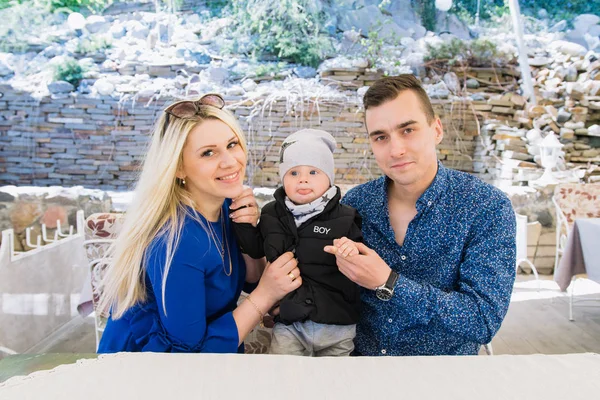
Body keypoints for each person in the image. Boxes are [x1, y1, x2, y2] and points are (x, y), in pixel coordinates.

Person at [324, 75, 516, 356]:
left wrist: (389, 282)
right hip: (359, 369)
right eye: (381, 137)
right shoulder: (355, 204)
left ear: (436, 129)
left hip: (443, 379)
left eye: (408, 130)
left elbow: (482, 320)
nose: (396, 149)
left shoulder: (486, 207)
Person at [97, 93, 301, 353]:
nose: (230, 162)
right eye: (208, 153)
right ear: (179, 168)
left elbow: (252, 278)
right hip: (147, 370)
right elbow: (191, 353)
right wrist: (266, 295)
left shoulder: (224, 205)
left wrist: (248, 233)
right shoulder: (178, 240)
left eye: (232, 144)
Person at [236, 129, 363, 356]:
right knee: (284, 381)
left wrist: (351, 251)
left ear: (329, 178)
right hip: (291, 323)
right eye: (293, 173)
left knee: (335, 387)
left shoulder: (345, 217)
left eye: (313, 172)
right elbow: (256, 248)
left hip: (337, 324)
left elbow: (360, 258)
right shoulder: (271, 214)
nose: (303, 179)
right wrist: (243, 225)